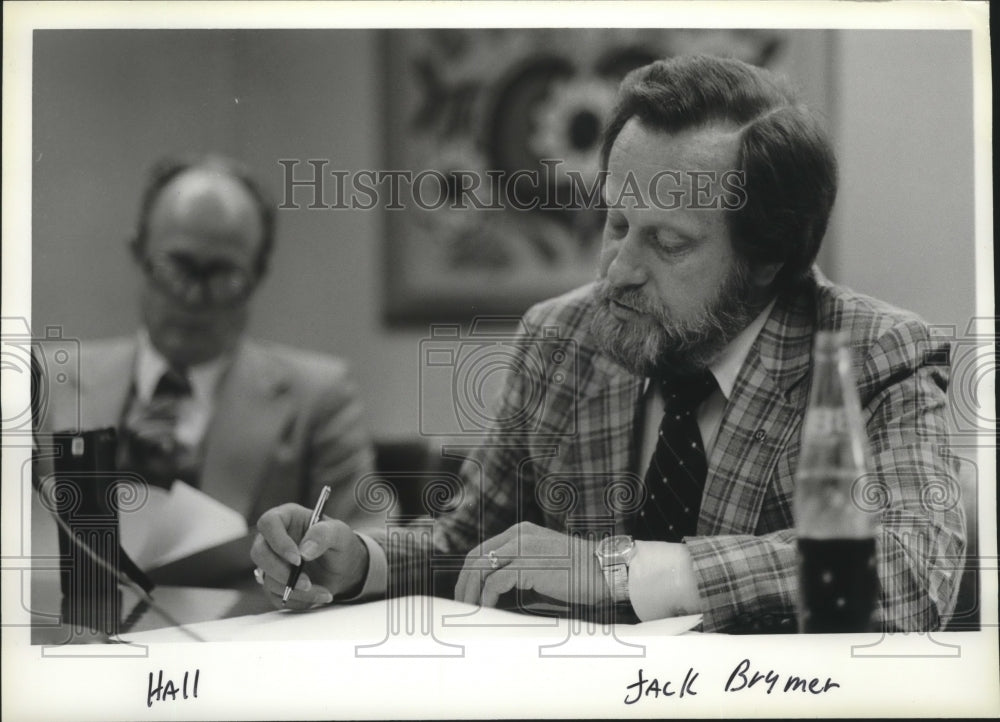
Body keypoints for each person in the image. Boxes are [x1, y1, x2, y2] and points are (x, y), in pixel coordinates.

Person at [251, 56, 965, 632]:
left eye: (669, 243)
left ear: (767, 259)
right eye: (617, 223)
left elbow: (905, 573)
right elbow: (466, 548)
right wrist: (359, 559)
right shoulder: (560, 337)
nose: (618, 271)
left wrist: (618, 568)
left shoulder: (877, 354)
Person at [35, 154, 379, 572]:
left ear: (257, 275)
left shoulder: (320, 397)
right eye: (176, 267)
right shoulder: (46, 382)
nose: (194, 298)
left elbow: (370, 540)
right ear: (138, 253)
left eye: (223, 275)